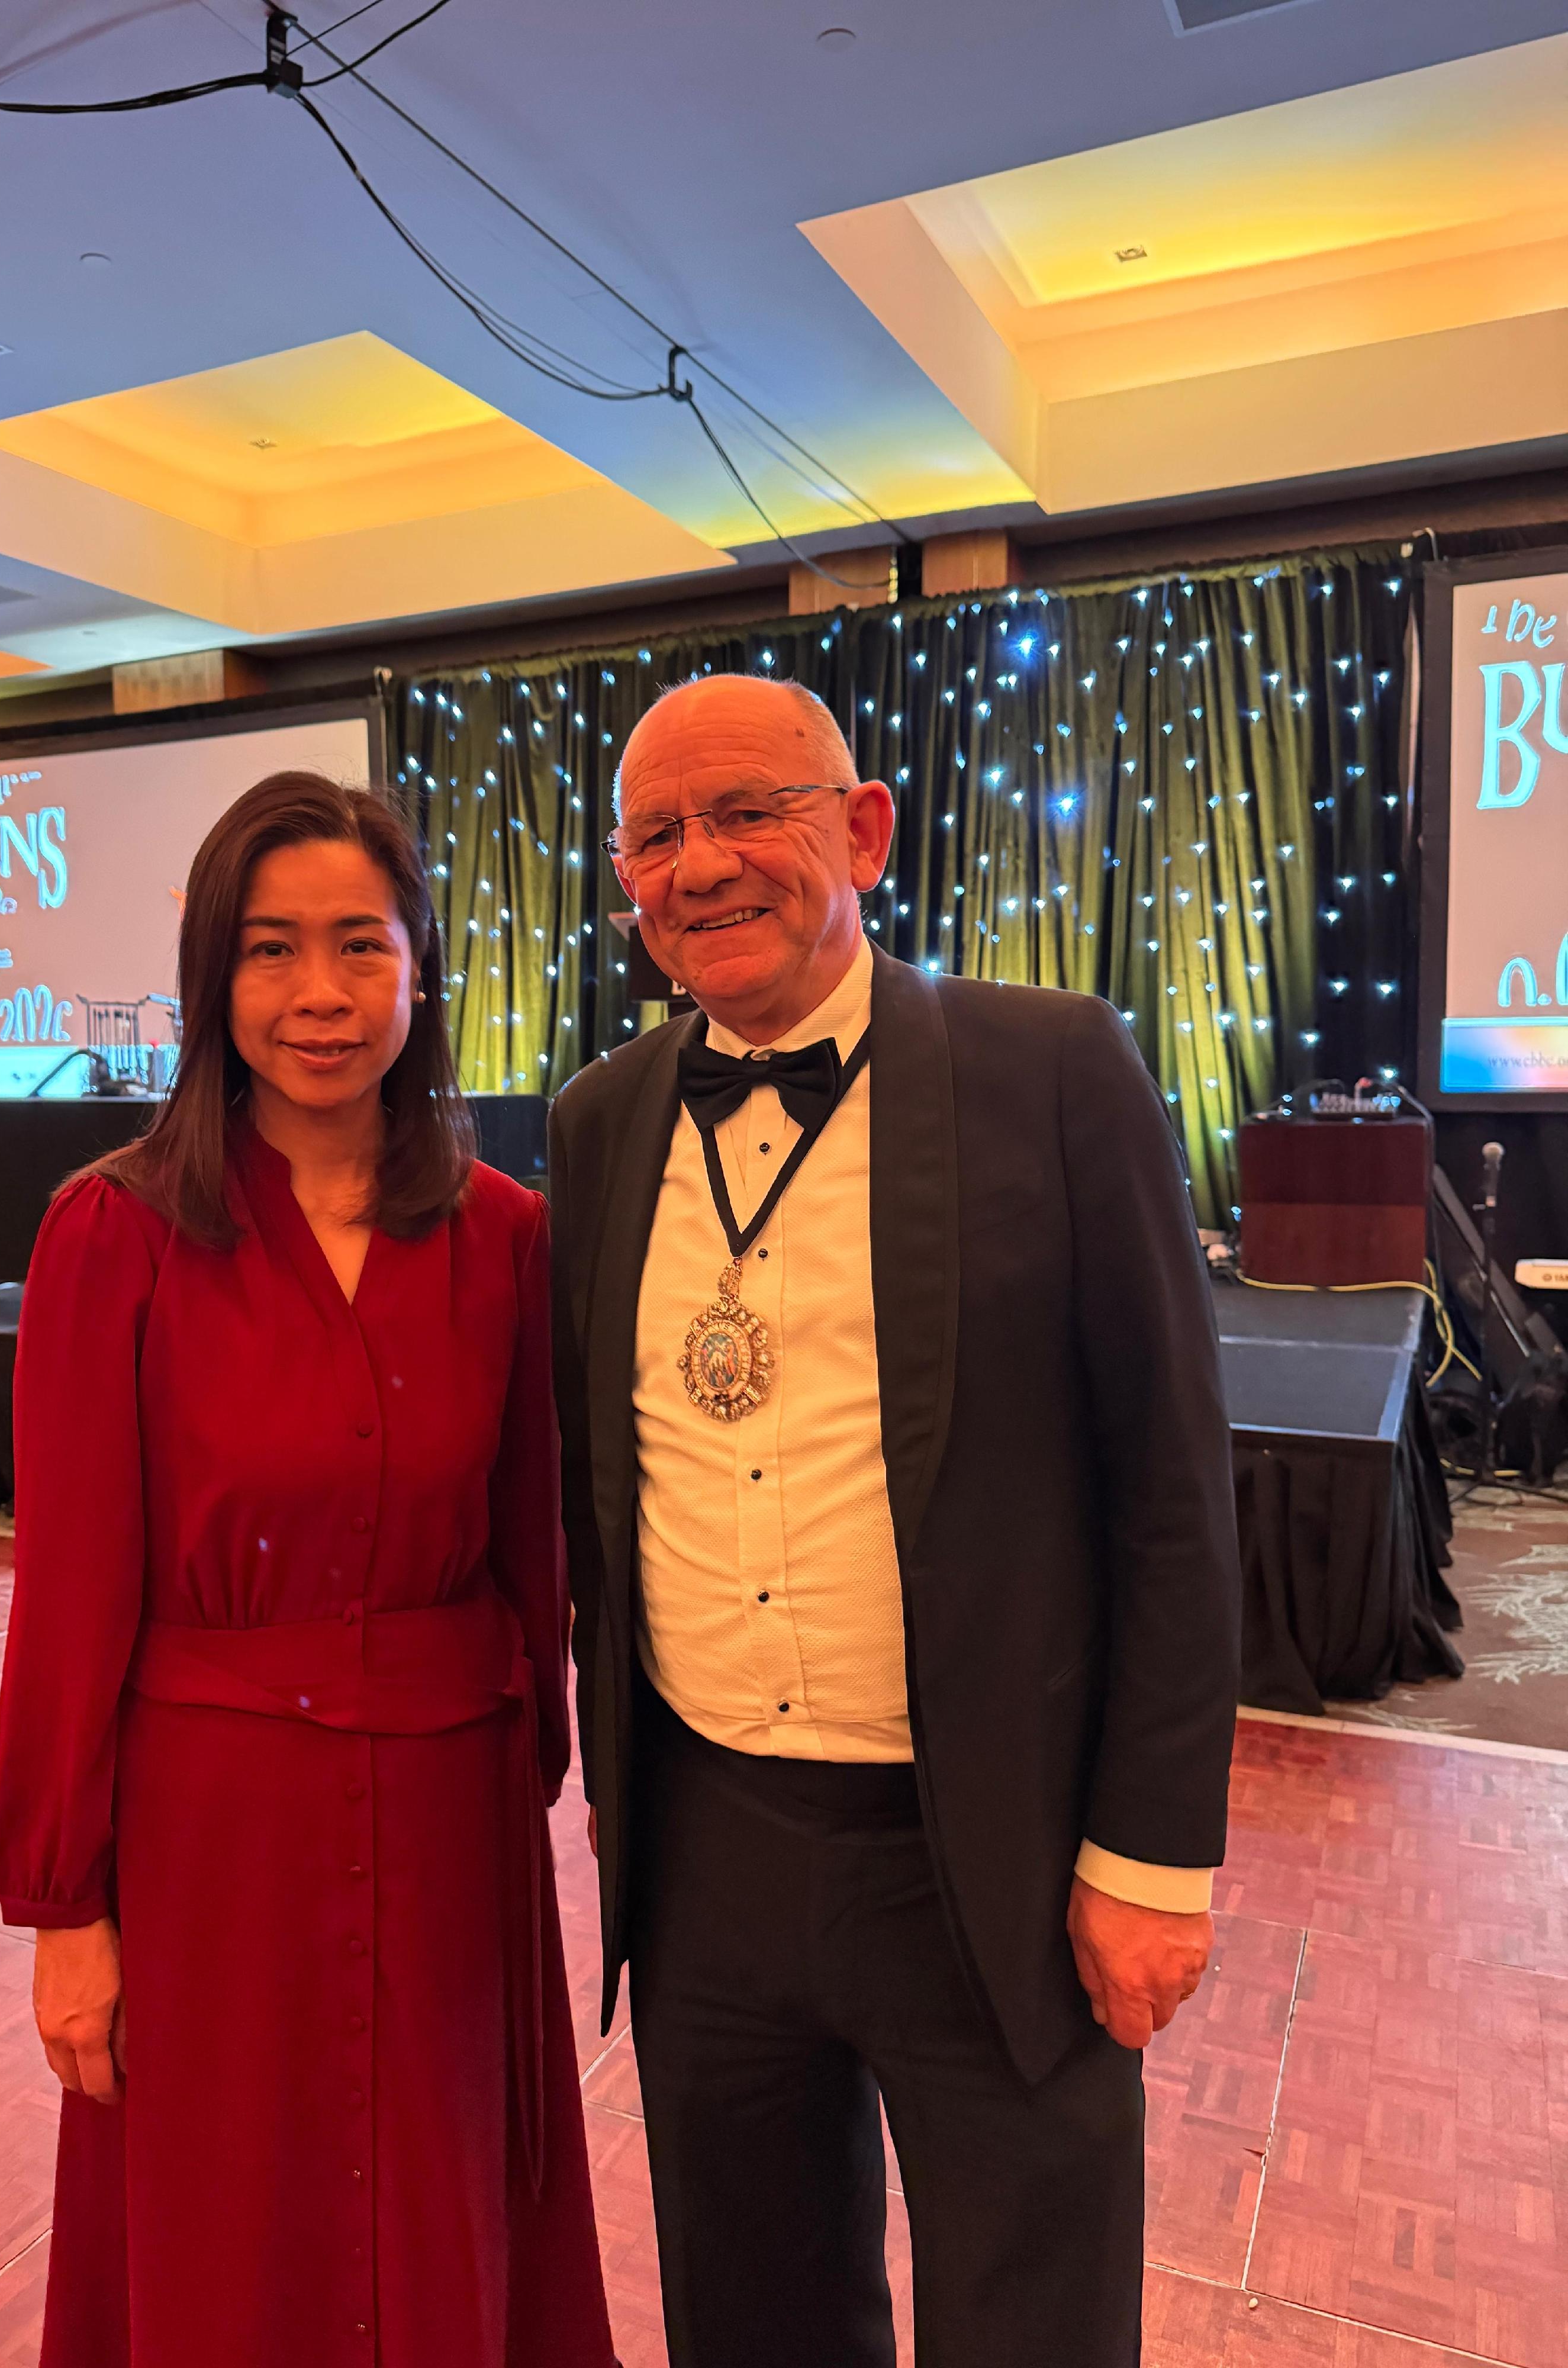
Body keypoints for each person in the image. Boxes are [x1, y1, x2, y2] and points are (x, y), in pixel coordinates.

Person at [547, 674, 1241, 2367]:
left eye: (746, 813)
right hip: (704, 1845)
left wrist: (1151, 1858)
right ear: (626, 887)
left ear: (861, 828)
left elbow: (1171, 1486)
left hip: (990, 1852)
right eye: (654, 835)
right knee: (754, 2311)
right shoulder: (597, 1122)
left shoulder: (1051, 1070)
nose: (698, 863)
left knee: (1032, 2318)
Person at [0, 770, 616, 2368]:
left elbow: (534, 1559)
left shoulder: (505, 1237)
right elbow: (66, 1598)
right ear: (214, 978)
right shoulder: (111, 1235)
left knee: (445, 2206)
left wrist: (519, 1777)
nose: (319, 996)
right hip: (208, 1839)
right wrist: (68, 1908)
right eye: (271, 951)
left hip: (451, 1820)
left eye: (358, 945)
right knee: (222, 2223)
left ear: (420, 967)